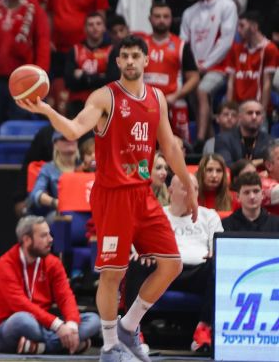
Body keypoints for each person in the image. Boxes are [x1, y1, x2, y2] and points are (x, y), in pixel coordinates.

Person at [16, 34, 198, 362]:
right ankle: (110, 345)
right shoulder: (104, 97)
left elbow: (170, 146)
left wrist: (189, 185)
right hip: (113, 195)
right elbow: (73, 130)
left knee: (172, 265)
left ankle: (128, 325)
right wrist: (46, 109)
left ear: (146, 61)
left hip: (143, 194)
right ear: (117, 62)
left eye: (135, 56)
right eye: (124, 56)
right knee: (112, 274)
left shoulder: (157, 98)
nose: (130, 61)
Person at [124, 174, 222, 353]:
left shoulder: (209, 215)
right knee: (137, 262)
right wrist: (144, 250)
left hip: (196, 272)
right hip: (163, 271)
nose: (192, 193)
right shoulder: (157, 213)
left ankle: (204, 331)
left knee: (218, 265)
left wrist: (215, 252)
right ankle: (133, 331)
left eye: (195, 189)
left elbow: (218, 245)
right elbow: (135, 239)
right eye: (185, 188)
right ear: (170, 191)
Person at [0, 215, 100, 355]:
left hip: (44, 325)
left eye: (49, 234)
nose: (50, 239)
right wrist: (58, 326)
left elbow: (65, 297)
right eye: (43, 236)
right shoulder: (5, 264)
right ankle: (67, 344)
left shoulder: (53, 263)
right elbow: (20, 304)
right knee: (22, 320)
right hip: (9, 328)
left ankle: (40, 347)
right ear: (27, 240)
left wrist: (71, 326)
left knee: (93, 320)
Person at [180, 0, 238, 147]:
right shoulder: (190, 12)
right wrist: (193, 66)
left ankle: (199, 140)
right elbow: (183, 43)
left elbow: (226, 42)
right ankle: (209, 141)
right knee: (193, 93)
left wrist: (205, 64)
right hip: (195, 67)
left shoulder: (227, 5)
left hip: (219, 66)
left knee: (202, 90)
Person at [142, 1, 199, 143]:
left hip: (174, 104)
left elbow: (194, 77)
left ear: (171, 19)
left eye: (165, 16)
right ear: (150, 19)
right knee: (144, 147)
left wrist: (175, 96)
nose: (161, 20)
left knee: (179, 147)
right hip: (144, 105)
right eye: (157, 16)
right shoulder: (140, 45)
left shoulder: (181, 45)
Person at [225, 11, 278, 109]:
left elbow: (267, 84)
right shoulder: (235, 49)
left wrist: (262, 111)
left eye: (242, 26)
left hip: (256, 108)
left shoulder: (269, 49)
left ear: (254, 27)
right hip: (238, 108)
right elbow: (230, 83)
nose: (238, 30)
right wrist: (229, 109)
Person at [64, 12, 112, 118]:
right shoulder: (75, 50)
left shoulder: (112, 51)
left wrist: (83, 76)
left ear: (104, 27)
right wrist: (100, 77)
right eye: (91, 24)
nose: (95, 27)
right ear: (85, 29)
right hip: (78, 106)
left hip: (104, 105)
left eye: (98, 24)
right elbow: (69, 82)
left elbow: (112, 81)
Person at [26, 131, 79, 221]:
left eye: (72, 138)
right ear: (55, 144)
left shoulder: (85, 166)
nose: (69, 140)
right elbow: (36, 194)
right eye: (63, 138)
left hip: (85, 210)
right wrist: (55, 202)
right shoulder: (48, 168)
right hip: (60, 212)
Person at [214, 100, 271, 165]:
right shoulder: (224, 140)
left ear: (262, 119)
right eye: (250, 113)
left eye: (258, 113)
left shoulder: (270, 141)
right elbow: (225, 165)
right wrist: (254, 163)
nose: (254, 117)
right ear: (240, 117)